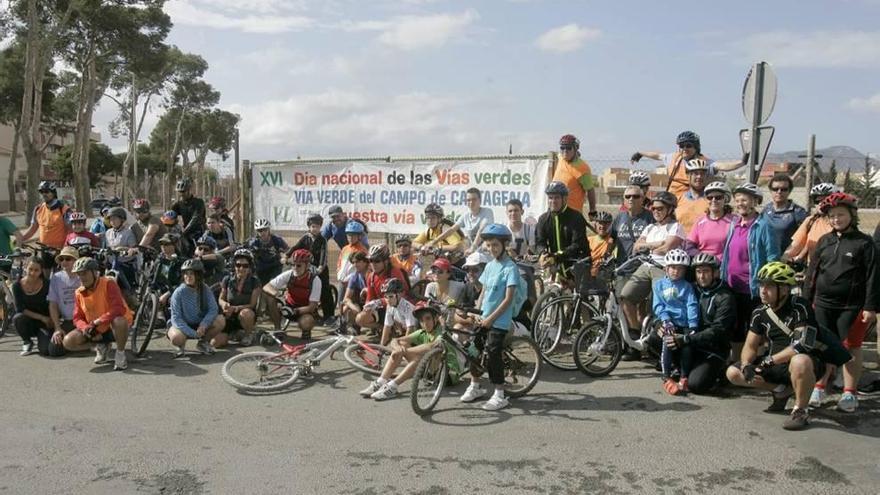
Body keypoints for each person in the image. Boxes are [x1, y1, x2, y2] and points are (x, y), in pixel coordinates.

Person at [726, 262, 849, 431]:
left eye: (769, 286)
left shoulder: (800, 307)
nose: (763, 290)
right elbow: (750, 345)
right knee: (733, 373)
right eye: (761, 285)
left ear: (784, 289)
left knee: (799, 361)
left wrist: (770, 360)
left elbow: (801, 344)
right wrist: (747, 365)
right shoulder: (759, 312)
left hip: (806, 364)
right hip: (775, 364)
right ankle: (781, 390)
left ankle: (800, 410)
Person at [804, 192, 878, 412]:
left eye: (841, 215)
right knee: (823, 346)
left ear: (852, 215)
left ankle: (849, 393)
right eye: (832, 216)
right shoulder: (825, 241)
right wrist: (807, 301)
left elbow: (873, 277)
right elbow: (812, 273)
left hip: (852, 306)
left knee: (851, 348)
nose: (836, 219)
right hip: (823, 304)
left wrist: (870, 307)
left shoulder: (864, 243)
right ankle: (819, 386)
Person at [460, 224, 523, 411]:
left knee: (492, 351)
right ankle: (475, 385)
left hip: (500, 320)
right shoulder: (489, 266)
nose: (491, 248)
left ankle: (500, 393)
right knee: (473, 350)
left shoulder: (510, 268)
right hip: (484, 318)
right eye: (488, 245)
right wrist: (477, 312)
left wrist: (491, 319)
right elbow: (484, 292)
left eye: (495, 244)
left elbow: (508, 299)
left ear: (504, 244)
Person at [619, 191, 685, 357]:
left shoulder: (676, 227)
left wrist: (648, 246)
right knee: (625, 296)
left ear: (670, 209)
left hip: (662, 267)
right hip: (645, 265)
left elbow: (667, 248)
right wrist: (656, 244)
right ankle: (634, 338)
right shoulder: (650, 227)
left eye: (660, 208)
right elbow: (636, 246)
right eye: (653, 208)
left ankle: (659, 348)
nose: (655, 211)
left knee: (660, 307)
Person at [659, 253, 735, 394]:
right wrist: (660, 324)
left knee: (696, 385)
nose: (701, 276)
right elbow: (667, 305)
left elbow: (717, 331)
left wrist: (686, 339)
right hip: (692, 343)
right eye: (698, 272)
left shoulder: (725, 297)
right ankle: (679, 369)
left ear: (716, 273)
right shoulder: (692, 288)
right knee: (656, 337)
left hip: (713, 348)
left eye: (706, 271)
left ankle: (720, 371)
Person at [720, 183, 780, 358]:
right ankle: (738, 362)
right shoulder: (734, 224)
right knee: (736, 327)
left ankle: (755, 363)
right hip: (731, 285)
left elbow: (773, 256)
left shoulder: (763, 225)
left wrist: (768, 285)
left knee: (755, 329)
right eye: (737, 200)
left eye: (744, 200)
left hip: (752, 288)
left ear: (755, 201)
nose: (740, 204)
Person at [359, 302, 460, 400]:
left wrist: (403, 352)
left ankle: (392, 386)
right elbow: (395, 340)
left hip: (449, 375)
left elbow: (430, 346)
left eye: (428, 318)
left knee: (420, 356)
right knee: (400, 345)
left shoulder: (442, 332)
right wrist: (397, 348)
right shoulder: (422, 332)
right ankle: (380, 382)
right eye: (421, 320)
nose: (425, 323)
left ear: (436, 318)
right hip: (432, 372)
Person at [630, 131, 747, 201]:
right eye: (681, 145)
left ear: (696, 147)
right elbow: (658, 155)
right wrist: (641, 153)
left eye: (688, 145)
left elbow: (722, 166)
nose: (684, 149)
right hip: (671, 201)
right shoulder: (674, 157)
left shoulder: (703, 161)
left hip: (692, 201)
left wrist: (741, 162)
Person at [65, 257, 133, 370]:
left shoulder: (108, 283)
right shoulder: (79, 292)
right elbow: (77, 318)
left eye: (85, 273)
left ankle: (120, 353)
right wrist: (85, 328)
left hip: (113, 327)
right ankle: (100, 346)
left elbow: (118, 309)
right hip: (95, 330)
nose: (82, 277)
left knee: (119, 321)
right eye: (79, 274)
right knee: (68, 341)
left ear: (94, 272)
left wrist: (97, 322)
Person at [652, 249, 699, 395]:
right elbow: (658, 305)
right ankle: (666, 377)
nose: (675, 271)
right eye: (672, 267)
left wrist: (693, 325)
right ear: (666, 268)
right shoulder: (658, 285)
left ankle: (684, 377)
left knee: (686, 347)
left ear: (684, 271)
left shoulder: (687, 286)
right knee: (667, 343)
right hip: (669, 322)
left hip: (684, 323)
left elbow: (691, 305)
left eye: (680, 268)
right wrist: (665, 320)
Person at [167, 259, 226, 357]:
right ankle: (180, 346)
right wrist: (193, 333)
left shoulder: (205, 289)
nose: (188, 276)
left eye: (192, 274)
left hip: (199, 324)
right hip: (182, 324)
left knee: (220, 320)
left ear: (198, 275)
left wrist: (203, 325)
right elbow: (176, 318)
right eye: (186, 274)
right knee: (176, 338)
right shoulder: (178, 293)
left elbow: (213, 309)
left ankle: (203, 343)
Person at [535, 181, 590, 279]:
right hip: (557, 266)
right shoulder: (543, 219)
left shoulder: (576, 217)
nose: (553, 201)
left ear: (564, 199)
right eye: (550, 198)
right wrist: (543, 254)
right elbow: (540, 241)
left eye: (556, 197)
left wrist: (556, 256)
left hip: (577, 264)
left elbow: (577, 245)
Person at [263, 249, 321, 340]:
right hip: (288, 306)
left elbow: (312, 307)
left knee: (307, 321)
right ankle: (278, 329)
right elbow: (267, 287)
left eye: (299, 265)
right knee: (270, 297)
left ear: (307, 266)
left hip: (304, 311)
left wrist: (295, 311)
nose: (295, 268)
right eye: (293, 265)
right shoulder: (289, 274)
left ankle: (306, 331)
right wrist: (278, 295)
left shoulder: (315, 280)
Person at [355, 244, 411, 333]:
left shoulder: (395, 273)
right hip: (384, 309)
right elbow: (370, 298)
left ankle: (394, 329)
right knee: (360, 319)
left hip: (400, 309)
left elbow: (401, 296)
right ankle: (384, 329)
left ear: (386, 261)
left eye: (377, 261)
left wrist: (379, 302)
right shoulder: (371, 276)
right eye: (371, 260)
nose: (373, 264)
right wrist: (368, 307)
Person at [289, 213, 333, 324]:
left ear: (320, 227)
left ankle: (329, 316)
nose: (315, 229)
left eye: (317, 227)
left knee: (324, 291)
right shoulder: (305, 237)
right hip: (308, 267)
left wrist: (320, 267)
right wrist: (286, 255)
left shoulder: (322, 239)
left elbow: (324, 255)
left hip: (320, 268)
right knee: (307, 290)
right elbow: (296, 247)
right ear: (309, 227)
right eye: (313, 226)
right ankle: (313, 313)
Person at [782, 183, 839, 265]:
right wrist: (783, 260)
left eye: (826, 200)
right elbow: (795, 247)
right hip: (811, 271)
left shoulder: (840, 224)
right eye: (817, 201)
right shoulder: (811, 221)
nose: (821, 204)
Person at [217, 249, 261, 347]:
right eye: (238, 265)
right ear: (234, 266)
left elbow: (252, 304)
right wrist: (224, 304)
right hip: (229, 315)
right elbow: (220, 298)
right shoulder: (227, 279)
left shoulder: (255, 281)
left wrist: (236, 308)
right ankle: (236, 333)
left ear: (250, 267)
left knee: (246, 313)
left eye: (245, 266)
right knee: (216, 343)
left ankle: (248, 334)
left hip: (245, 314)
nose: (241, 268)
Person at [46, 247, 84, 356]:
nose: (64, 262)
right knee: (54, 350)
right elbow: (52, 303)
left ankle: (94, 344)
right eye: (62, 259)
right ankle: (82, 345)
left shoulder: (83, 276)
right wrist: (57, 328)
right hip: (68, 321)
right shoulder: (56, 277)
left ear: (76, 261)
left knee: (67, 343)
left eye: (68, 259)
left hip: (84, 320)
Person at [434, 188, 494, 254]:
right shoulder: (466, 215)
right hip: (471, 254)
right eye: (468, 200)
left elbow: (481, 229)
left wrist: (473, 248)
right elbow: (451, 230)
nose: (471, 202)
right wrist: (434, 242)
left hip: (486, 254)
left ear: (480, 200)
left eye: (474, 199)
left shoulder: (487, 212)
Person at [12, 257, 52, 356]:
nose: (33, 273)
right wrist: (42, 317)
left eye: (36, 270)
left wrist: (53, 321)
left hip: (45, 323)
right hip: (29, 320)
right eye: (30, 269)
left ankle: (42, 338)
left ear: (41, 271)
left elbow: (53, 303)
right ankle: (27, 341)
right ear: (25, 267)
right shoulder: (17, 285)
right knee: (18, 318)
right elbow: (20, 308)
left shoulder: (47, 284)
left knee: (45, 350)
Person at [760, 174, 808, 254]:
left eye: (784, 189)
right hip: (765, 257)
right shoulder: (766, 209)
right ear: (770, 190)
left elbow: (805, 237)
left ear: (789, 191)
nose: (779, 192)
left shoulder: (798, 212)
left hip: (786, 259)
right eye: (775, 189)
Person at [552, 134, 597, 217]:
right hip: (555, 210)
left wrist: (592, 211)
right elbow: (557, 154)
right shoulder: (561, 158)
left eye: (569, 148)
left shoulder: (583, 169)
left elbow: (590, 190)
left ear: (575, 149)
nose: (565, 151)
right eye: (562, 148)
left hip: (572, 214)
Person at [686, 181, 734, 258]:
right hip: (703, 264)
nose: (713, 200)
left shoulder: (734, 221)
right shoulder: (700, 221)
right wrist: (703, 258)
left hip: (723, 265)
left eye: (718, 197)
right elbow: (689, 247)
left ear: (725, 199)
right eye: (710, 197)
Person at [611, 185, 654, 269]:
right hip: (622, 268)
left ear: (642, 199)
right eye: (628, 196)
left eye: (635, 196)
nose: (631, 199)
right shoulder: (619, 217)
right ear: (624, 200)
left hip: (643, 269)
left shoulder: (650, 217)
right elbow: (612, 239)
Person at [21, 180, 71, 251]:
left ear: (53, 193)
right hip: (43, 249)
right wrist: (20, 239)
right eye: (41, 192)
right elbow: (33, 229)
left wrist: (66, 247)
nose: (44, 194)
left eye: (47, 191)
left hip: (60, 250)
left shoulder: (63, 209)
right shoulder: (38, 209)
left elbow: (70, 230)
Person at [103, 207, 139, 299]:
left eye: (115, 218)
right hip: (111, 264)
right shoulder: (108, 233)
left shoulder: (128, 232)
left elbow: (133, 248)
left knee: (126, 291)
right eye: (110, 219)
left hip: (125, 264)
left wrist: (125, 249)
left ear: (122, 219)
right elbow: (106, 247)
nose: (112, 221)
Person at [246, 218, 289, 285]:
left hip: (275, 266)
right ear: (257, 232)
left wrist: (284, 257)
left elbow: (286, 250)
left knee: (273, 285)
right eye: (260, 230)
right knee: (259, 286)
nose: (262, 232)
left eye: (265, 230)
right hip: (261, 267)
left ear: (268, 230)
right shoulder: (253, 242)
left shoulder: (276, 240)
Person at [170, 177, 206, 255]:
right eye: (179, 192)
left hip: (199, 232)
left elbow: (195, 218)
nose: (181, 194)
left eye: (183, 191)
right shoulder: (178, 204)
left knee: (198, 253)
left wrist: (184, 232)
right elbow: (171, 216)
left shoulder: (198, 202)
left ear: (189, 190)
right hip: (186, 233)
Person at [151, 234, 185, 316]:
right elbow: (152, 277)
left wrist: (167, 294)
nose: (163, 247)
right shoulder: (159, 260)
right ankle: (159, 317)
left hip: (174, 291)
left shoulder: (181, 262)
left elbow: (182, 283)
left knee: (172, 300)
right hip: (160, 290)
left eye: (167, 244)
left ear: (174, 246)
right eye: (162, 244)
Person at [376, 278, 417, 346]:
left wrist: (403, 347)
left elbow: (411, 329)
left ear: (400, 294)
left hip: (415, 332)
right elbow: (387, 327)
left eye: (391, 296)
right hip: (405, 330)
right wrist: (381, 346)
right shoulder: (389, 306)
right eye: (385, 297)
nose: (388, 300)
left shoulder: (407, 307)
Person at [674, 159, 711, 234]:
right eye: (695, 173)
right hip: (680, 243)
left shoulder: (712, 200)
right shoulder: (677, 199)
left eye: (702, 174)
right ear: (688, 176)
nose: (699, 177)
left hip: (702, 244)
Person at [339, 251, 370, 334]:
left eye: (358, 262)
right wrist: (354, 308)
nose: (355, 265)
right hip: (362, 303)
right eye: (354, 262)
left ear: (365, 262)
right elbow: (346, 298)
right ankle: (354, 326)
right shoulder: (354, 276)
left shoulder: (372, 274)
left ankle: (377, 328)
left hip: (373, 304)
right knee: (346, 308)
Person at [336, 220, 369, 286]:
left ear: (359, 236)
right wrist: (338, 272)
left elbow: (363, 268)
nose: (350, 237)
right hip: (342, 281)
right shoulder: (345, 249)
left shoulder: (362, 250)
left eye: (353, 235)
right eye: (348, 235)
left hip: (354, 283)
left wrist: (351, 279)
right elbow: (340, 263)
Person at [587, 211, 616, 277]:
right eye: (600, 223)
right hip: (588, 274)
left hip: (604, 275)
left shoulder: (613, 241)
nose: (602, 226)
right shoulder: (589, 240)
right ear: (595, 224)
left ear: (611, 225)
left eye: (606, 223)